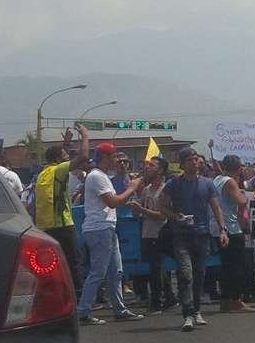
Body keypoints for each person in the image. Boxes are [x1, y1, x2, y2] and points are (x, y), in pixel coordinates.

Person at [161, 147, 231, 331]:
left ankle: (197, 310)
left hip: (202, 235)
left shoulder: (207, 184)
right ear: (182, 164)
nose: (194, 163)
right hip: (181, 235)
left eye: (196, 159)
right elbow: (163, 207)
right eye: (190, 160)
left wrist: (223, 230)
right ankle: (188, 313)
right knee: (185, 274)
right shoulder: (174, 184)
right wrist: (176, 217)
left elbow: (216, 208)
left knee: (200, 274)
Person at [76, 142, 146, 325]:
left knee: (116, 272)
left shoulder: (102, 176)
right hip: (99, 228)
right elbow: (113, 202)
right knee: (98, 273)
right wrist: (131, 187)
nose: (117, 161)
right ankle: (83, 312)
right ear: (106, 157)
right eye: (115, 157)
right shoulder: (97, 177)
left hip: (107, 227)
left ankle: (119, 309)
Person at [33, 124, 90, 296]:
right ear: (59, 159)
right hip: (64, 224)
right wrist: (85, 136)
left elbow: (57, 156)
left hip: (46, 226)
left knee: (52, 264)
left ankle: (54, 295)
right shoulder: (59, 170)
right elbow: (84, 157)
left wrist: (66, 143)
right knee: (74, 262)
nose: (68, 159)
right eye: (66, 156)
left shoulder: (43, 171)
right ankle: (79, 301)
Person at [128, 156, 177, 314]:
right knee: (155, 267)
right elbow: (137, 213)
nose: (147, 167)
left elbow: (162, 215)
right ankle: (170, 297)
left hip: (161, 232)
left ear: (160, 170)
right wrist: (135, 202)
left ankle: (157, 302)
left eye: (152, 165)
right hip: (147, 232)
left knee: (156, 270)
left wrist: (142, 210)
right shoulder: (146, 189)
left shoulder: (165, 190)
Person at [212, 155, 255, 313]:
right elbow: (241, 201)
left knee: (226, 266)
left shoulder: (216, 179)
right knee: (238, 266)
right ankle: (236, 299)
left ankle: (225, 299)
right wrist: (243, 193)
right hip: (231, 228)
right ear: (238, 169)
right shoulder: (230, 182)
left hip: (218, 227)